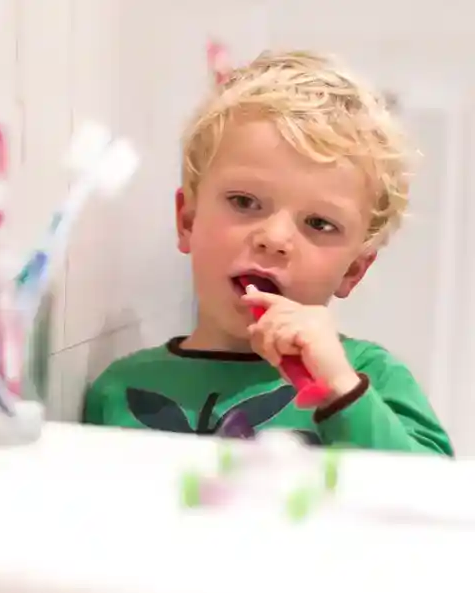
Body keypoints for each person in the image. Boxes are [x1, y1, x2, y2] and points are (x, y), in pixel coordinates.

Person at [82, 49, 453, 454]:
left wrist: (342, 392)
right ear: (187, 221)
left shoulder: (370, 377)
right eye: (244, 202)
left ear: (353, 272)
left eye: (319, 224)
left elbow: (432, 496)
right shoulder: (120, 388)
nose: (274, 238)